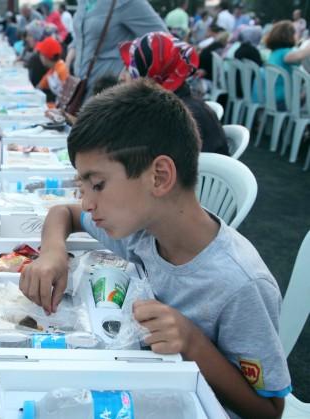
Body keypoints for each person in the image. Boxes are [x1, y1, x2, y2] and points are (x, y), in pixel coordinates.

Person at [19, 79, 291, 419]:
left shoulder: (241, 284)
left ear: (159, 177)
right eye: (82, 187)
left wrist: (192, 343)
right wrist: (52, 254)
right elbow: (63, 213)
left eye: (97, 185)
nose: (87, 203)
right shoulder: (143, 231)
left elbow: (268, 411)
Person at [120, 32, 229, 155]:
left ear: (150, 74)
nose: (122, 76)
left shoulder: (173, 116)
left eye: (129, 69)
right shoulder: (174, 100)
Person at [71, 0, 166, 98]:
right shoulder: (83, 2)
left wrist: (131, 70)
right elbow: (83, 33)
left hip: (108, 90)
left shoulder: (126, 2)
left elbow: (163, 41)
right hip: (79, 85)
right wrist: (70, 55)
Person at [265, 20, 310, 108]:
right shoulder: (284, 53)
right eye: (296, 33)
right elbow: (300, 55)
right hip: (283, 100)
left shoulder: (274, 53)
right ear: (289, 36)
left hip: (271, 98)